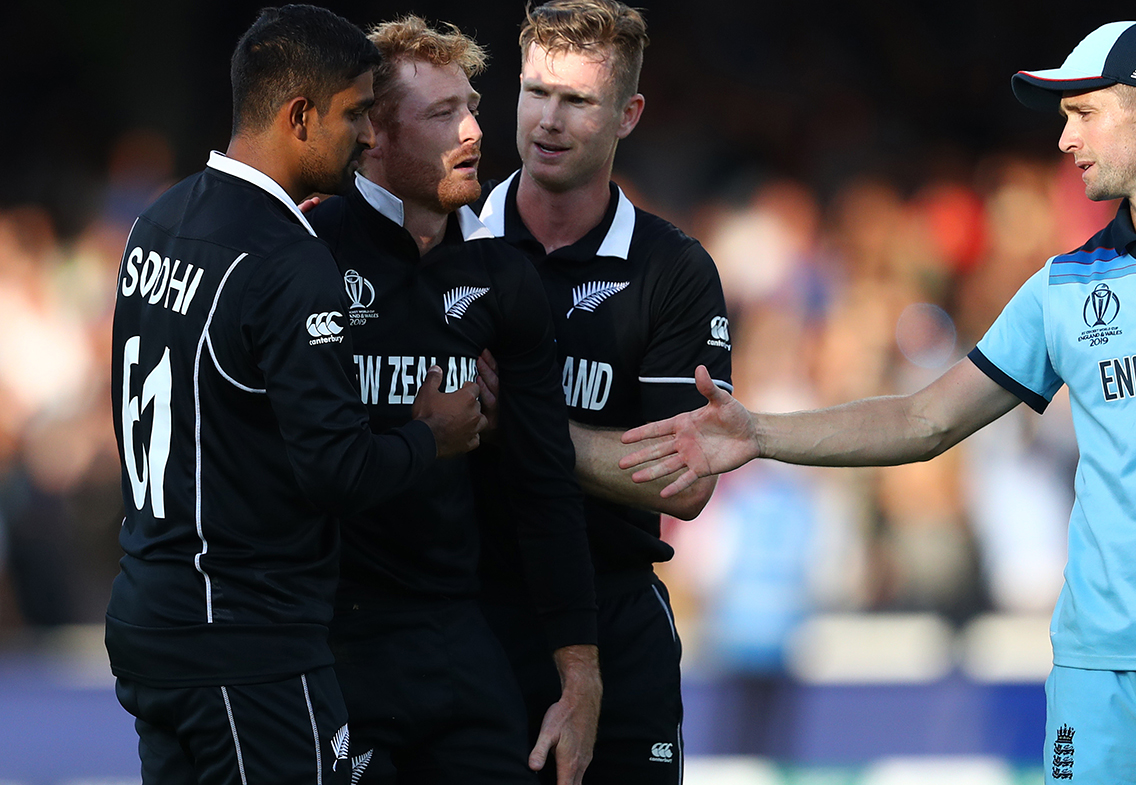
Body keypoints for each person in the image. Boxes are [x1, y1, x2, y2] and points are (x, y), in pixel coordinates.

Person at [621, 21, 1136, 784]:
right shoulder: (1063, 285)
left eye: (1084, 113)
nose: (1064, 138)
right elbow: (924, 418)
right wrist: (756, 431)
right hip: (1104, 670)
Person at [107, 6, 482, 783]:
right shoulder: (288, 257)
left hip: (151, 614)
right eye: (353, 115)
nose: (368, 137)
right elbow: (337, 470)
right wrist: (431, 436)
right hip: (246, 645)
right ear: (300, 116)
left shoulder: (159, 220)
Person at [305, 15, 601, 784]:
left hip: (458, 632)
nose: (473, 131)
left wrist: (580, 670)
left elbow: (545, 479)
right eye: (442, 115)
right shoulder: (306, 254)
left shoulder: (504, 278)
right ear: (371, 132)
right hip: (332, 638)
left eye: (470, 106)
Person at [472, 1, 732, 781]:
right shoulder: (451, 240)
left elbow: (685, 480)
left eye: (578, 101)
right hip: (465, 609)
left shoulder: (672, 270)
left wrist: (514, 420)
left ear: (629, 114)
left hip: (616, 614)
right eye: (536, 92)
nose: (548, 121)